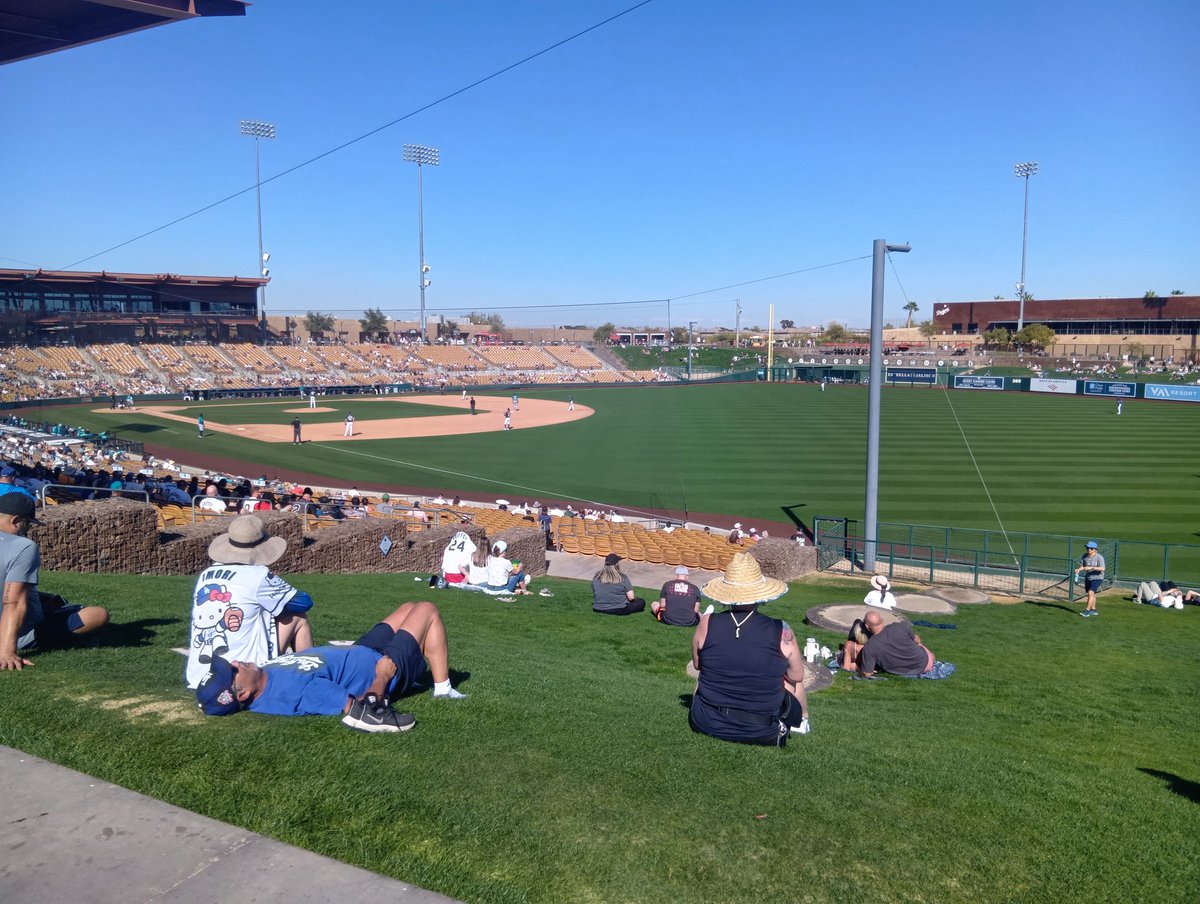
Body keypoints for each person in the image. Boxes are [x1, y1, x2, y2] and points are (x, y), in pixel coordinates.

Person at [195, 601, 466, 732]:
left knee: (409, 607)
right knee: (427, 609)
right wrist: (383, 676)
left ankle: (427, 675)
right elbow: (362, 709)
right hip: (381, 665)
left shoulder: (266, 680)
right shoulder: (293, 691)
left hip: (362, 650)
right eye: (231, 671)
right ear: (242, 694)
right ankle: (442, 688)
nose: (234, 663)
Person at [688, 552, 809, 745]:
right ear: (759, 594)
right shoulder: (780, 629)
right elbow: (796, 676)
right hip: (762, 729)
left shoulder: (707, 623)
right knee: (792, 680)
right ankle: (802, 721)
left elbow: (697, 664)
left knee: (705, 672)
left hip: (706, 722)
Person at [185, 514, 316, 690]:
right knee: (297, 617)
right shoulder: (257, 575)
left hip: (200, 677)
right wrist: (278, 589)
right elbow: (304, 602)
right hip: (242, 673)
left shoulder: (206, 575)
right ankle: (310, 678)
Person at [0, 493, 109, 671]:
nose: (27, 530)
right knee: (98, 614)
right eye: (27, 524)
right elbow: (13, 602)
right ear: (16, 521)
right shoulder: (23, 546)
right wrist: (6, 652)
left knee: (50, 601)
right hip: (20, 632)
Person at [857, 610, 953, 678]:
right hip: (925, 662)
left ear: (866, 626)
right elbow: (917, 640)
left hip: (905, 671)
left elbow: (867, 673)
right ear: (882, 620)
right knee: (919, 645)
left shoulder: (869, 647)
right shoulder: (899, 627)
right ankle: (931, 658)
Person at [1074, 540, 1105, 617]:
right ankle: (1093, 610)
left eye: (1090, 548)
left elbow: (1103, 568)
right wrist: (1079, 569)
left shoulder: (1099, 557)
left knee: (1090, 593)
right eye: (1087, 548)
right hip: (1088, 578)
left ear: (1095, 549)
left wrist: (1092, 567)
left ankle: (1087, 611)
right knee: (1093, 594)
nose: (1088, 549)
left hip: (1097, 578)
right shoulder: (1084, 556)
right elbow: (1083, 566)